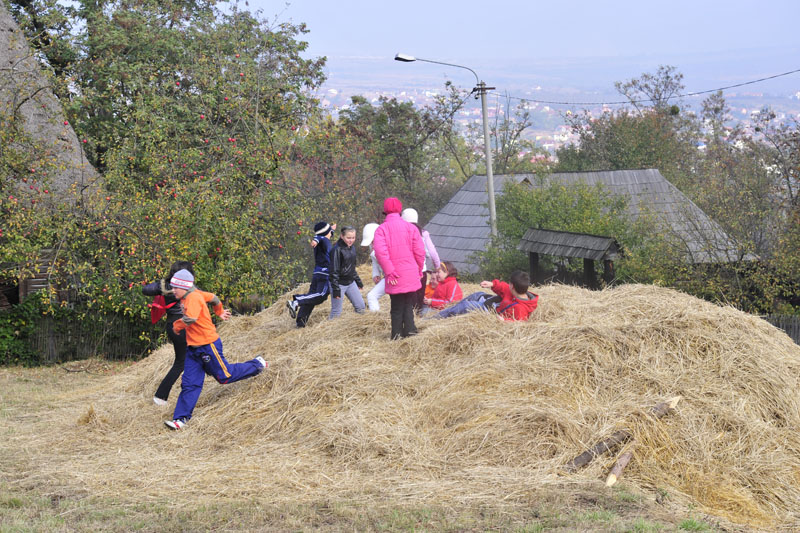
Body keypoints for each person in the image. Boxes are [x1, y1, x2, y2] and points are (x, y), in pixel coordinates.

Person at [164, 269, 266, 430]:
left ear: (184, 286)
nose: (173, 290)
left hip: (208, 346)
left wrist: (176, 326)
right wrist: (219, 311)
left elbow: (190, 319)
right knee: (190, 384)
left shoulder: (193, 297)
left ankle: (257, 364)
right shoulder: (192, 293)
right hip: (193, 349)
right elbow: (213, 297)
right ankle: (180, 419)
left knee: (224, 376)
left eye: (176, 287)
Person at [142, 260, 195, 406]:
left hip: (172, 325)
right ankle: (161, 396)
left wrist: (162, 288)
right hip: (181, 326)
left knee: (188, 360)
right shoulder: (185, 287)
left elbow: (146, 289)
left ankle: (176, 394)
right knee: (181, 362)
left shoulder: (166, 285)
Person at [373, 197, 425, 339]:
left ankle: (396, 335)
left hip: (394, 275)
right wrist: (419, 269)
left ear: (385, 211)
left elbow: (380, 253)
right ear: (400, 210)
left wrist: (389, 271)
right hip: (410, 272)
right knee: (408, 304)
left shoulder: (381, 230)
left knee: (396, 307)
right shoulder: (411, 228)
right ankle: (410, 331)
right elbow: (420, 251)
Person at [434, 270, 539, 321]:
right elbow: (503, 287)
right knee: (477, 294)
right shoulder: (515, 291)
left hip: (489, 311)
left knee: (465, 306)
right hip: (491, 302)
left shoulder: (520, 308)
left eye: (509, 283)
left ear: (513, 286)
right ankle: (450, 310)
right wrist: (492, 284)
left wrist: (504, 321)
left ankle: (435, 319)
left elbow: (519, 323)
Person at [287, 221, 334, 328]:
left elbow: (322, 234)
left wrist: (331, 228)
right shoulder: (322, 239)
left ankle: (301, 321)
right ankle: (296, 301)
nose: (331, 234)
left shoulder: (324, 238)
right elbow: (319, 238)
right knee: (321, 295)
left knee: (311, 297)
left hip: (317, 273)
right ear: (327, 232)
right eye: (330, 232)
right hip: (325, 273)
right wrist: (315, 241)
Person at [401, 208, 441, 312]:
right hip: (421, 272)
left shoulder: (400, 234)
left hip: (405, 271)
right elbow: (432, 252)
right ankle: (418, 320)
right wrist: (437, 266)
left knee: (408, 301)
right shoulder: (423, 233)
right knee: (419, 301)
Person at [328, 226, 366, 318]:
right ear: (342, 236)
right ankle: (330, 331)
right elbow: (334, 271)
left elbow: (352, 267)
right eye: (348, 238)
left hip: (350, 282)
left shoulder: (352, 248)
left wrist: (358, 282)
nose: (351, 240)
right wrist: (336, 289)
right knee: (336, 311)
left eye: (353, 238)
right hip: (338, 284)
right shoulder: (336, 250)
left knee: (361, 307)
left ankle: (357, 327)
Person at [361, 222, 386, 312]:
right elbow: (375, 262)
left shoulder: (387, 244)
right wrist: (376, 274)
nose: (371, 243)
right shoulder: (372, 247)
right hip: (388, 277)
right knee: (371, 296)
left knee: (371, 296)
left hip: (393, 277)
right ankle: (377, 317)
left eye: (372, 240)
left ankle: (377, 319)